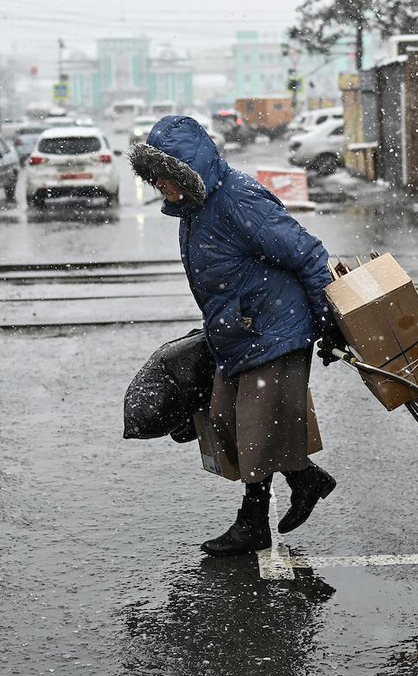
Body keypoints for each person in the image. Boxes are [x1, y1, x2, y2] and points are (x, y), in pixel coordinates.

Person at [129, 115, 345, 557]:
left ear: (191, 169)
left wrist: (327, 323)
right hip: (239, 333)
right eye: (155, 180)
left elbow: (305, 252)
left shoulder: (237, 198)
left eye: (168, 178)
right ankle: (305, 478)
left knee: (255, 430)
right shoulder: (194, 208)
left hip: (275, 327)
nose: (162, 188)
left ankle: (253, 524)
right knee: (225, 421)